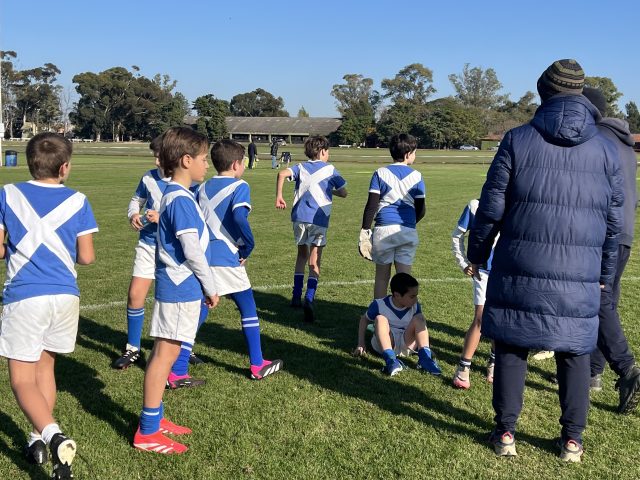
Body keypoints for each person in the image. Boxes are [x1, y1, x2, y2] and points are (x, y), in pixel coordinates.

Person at [467, 59, 623, 462]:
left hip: (520, 263)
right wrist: (605, 275)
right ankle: (573, 440)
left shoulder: (517, 139)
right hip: (581, 271)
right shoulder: (606, 149)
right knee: (575, 350)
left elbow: (490, 208)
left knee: (512, 345)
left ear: (545, 92)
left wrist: (477, 253)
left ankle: (505, 432)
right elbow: (615, 223)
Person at [0, 132, 98, 478]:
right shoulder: (79, 200)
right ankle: (36, 440)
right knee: (45, 370)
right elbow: (87, 257)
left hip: (25, 296)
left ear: (29, 163)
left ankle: (54, 437)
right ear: (65, 167)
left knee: (21, 380)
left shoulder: (8, 194)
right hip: (65, 296)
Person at [133, 127, 219, 454]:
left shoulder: (176, 195)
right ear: (186, 160)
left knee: (164, 353)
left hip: (179, 285)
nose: (206, 165)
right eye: (203, 159)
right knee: (164, 356)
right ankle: (148, 432)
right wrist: (210, 286)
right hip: (181, 286)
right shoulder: (180, 199)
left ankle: (155, 418)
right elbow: (192, 250)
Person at [113, 136, 208, 390]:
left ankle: (184, 348)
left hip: (174, 252)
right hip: (148, 245)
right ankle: (133, 348)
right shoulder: (148, 178)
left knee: (182, 303)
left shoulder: (189, 183)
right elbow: (136, 200)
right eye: (154, 157)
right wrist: (134, 214)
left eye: (159, 156)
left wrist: (162, 216)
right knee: (136, 294)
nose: (156, 161)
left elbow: (191, 217)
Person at [198, 139, 284, 379]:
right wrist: (248, 246)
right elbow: (238, 216)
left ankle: (177, 365)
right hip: (227, 256)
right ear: (236, 164)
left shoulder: (201, 188)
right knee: (247, 306)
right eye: (244, 161)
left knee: (203, 306)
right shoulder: (240, 185)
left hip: (203, 256)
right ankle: (257, 364)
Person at [583, 86, 640, 414]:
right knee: (606, 302)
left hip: (602, 233)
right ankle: (593, 373)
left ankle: (627, 368)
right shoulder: (625, 144)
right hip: (624, 235)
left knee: (597, 301)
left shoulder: (596, 140)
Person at [275, 136, 347, 322]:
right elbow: (344, 192)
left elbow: (281, 174)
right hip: (319, 219)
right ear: (322, 151)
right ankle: (309, 297)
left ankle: (295, 296)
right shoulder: (330, 169)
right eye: (327, 151)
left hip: (299, 218)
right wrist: (329, 190)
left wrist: (279, 196)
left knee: (301, 256)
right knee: (315, 261)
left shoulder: (300, 167)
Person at [359, 133, 425, 299]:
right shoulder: (417, 176)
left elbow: (371, 206)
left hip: (383, 230)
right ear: (408, 154)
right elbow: (421, 209)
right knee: (405, 279)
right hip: (407, 230)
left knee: (382, 278)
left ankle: (379, 313)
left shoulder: (380, 173)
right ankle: (405, 313)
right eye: (415, 152)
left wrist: (365, 231)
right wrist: (410, 223)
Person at [353, 273, 441, 376]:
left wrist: (426, 346)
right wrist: (361, 343)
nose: (416, 299)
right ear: (397, 295)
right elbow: (364, 320)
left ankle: (425, 359)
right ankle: (390, 360)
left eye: (416, 296)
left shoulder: (415, 306)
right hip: (386, 343)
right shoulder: (379, 304)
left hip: (407, 344)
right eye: (412, 296)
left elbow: (420, 329)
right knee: (380, 319)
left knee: (419, 318)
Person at [451, 199, 496, 389]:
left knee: (500, 318)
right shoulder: (475, 206)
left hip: (506, 271)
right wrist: (463, 262)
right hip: (482, 272)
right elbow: (457, 235)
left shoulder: (514, 204)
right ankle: (464, 367)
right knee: (481, 317)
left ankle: (494, 361)